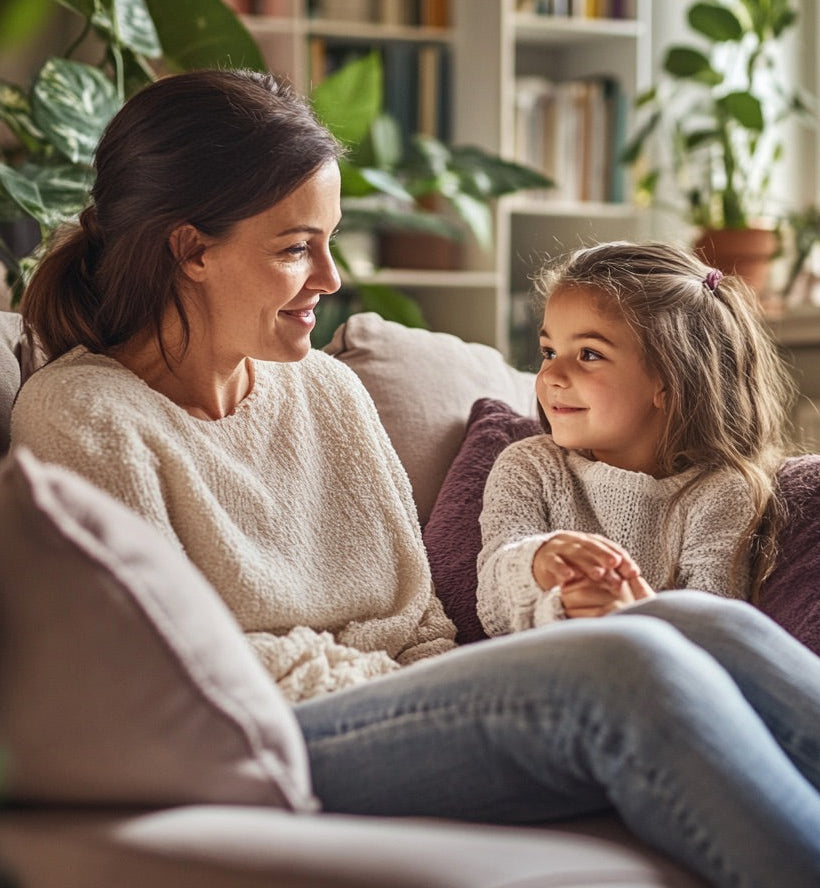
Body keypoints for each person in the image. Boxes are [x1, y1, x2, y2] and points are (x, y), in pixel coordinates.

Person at [10, 69, 820, 888]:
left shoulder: (326, 390)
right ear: (192, 251)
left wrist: (438, 688)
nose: (330, 278)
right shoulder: (84, 416)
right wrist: (407, 686)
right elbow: (166, 669)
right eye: (295, 248)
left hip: (405, 699)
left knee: (697, 622)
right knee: (631, 667)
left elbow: (419, 620)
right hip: (266, 730)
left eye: (329, 241)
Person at [478, 241, 796, 633]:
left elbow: (713, 632)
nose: (551, 377)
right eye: (549, 352)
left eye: (589, 354)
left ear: (670, 380)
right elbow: (491, 607)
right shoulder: (528, 467)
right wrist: (536, 563)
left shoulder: (721, 491)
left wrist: (632, 614)